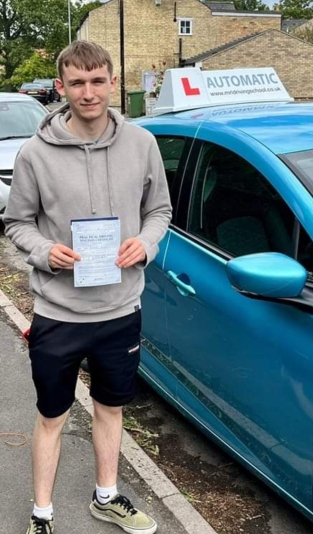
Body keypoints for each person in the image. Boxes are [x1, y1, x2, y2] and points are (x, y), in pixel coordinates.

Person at [4, 40, 172, 534]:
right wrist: (43, 251)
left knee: (110, 409)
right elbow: (17, 222)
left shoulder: (142, 144)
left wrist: (145, 243)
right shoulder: (35, 154)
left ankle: (106, 496)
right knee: (52, 415)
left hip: (120, 308)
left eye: (97, 80)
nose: (88, 91)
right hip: (59, 313)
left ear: (112, 83)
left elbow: (159, 211)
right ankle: (41, 514)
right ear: (61, 87)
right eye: (77, 82)